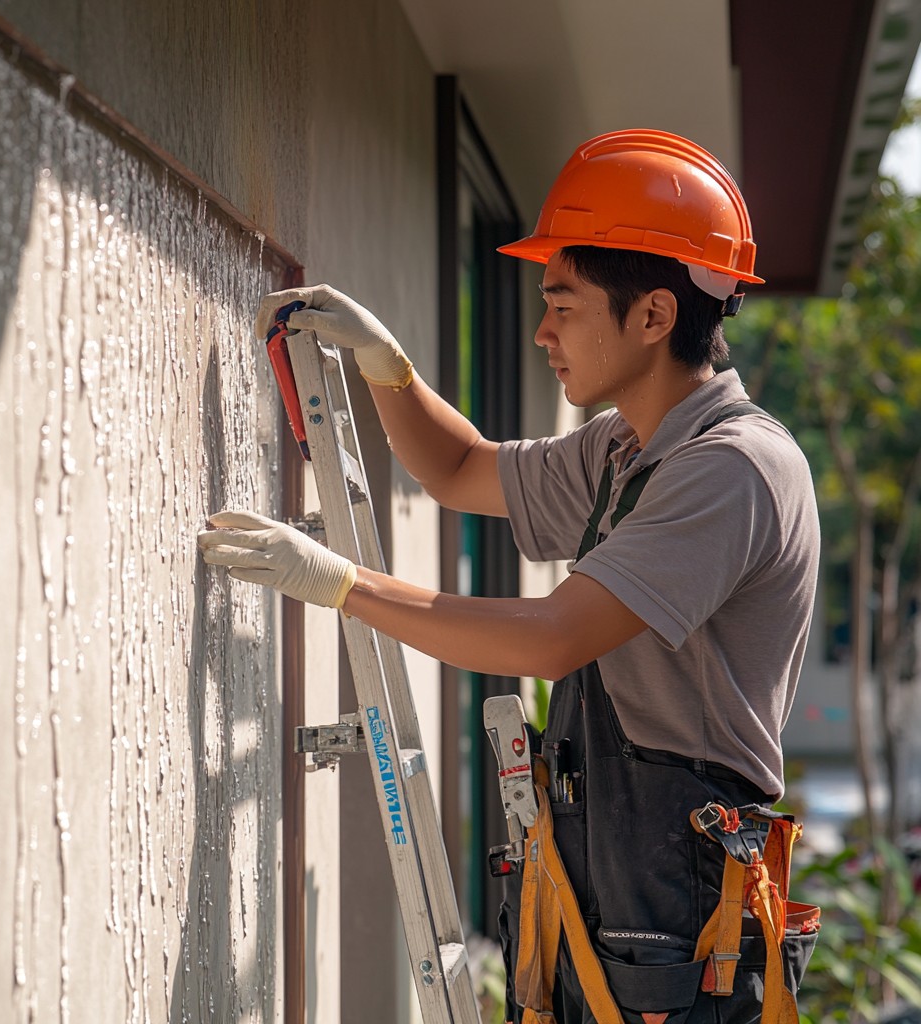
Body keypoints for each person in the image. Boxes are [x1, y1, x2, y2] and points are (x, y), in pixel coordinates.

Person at [198, 129, 821, 1023]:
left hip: (679, 901)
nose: (540, 333)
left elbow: (552, 637)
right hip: (610, 871)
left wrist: (342, 585)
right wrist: (389, 369)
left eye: (563, 306)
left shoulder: (732, 470)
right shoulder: (624, 448)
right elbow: (459, 471)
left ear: (652, 316)